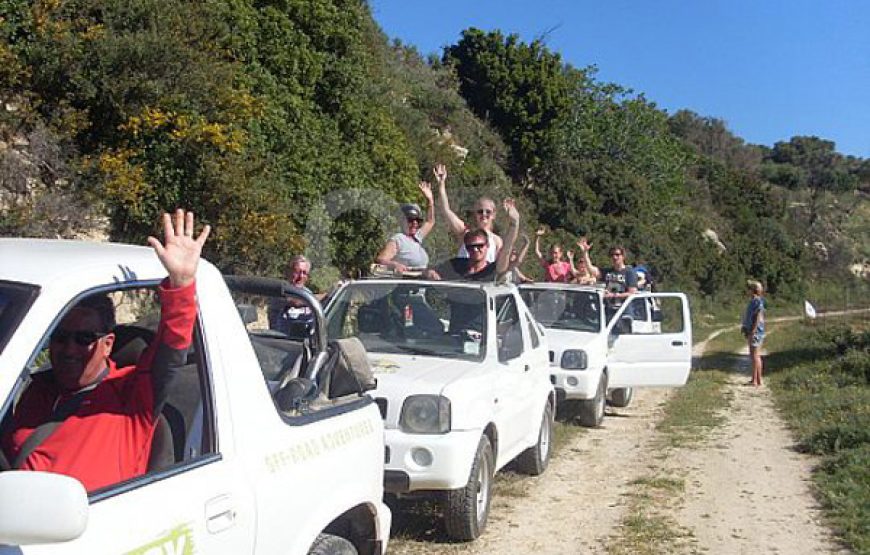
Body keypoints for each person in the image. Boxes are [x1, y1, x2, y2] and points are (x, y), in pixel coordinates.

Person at [1, 209, 209, 492]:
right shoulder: (31, 387)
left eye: (84, 338)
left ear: (108, 343)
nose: (69, 349)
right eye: (60, 337)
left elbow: (170, 352)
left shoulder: (131, 396)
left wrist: (181, 286)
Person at [425, 198, 520, 282]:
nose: (475, 249)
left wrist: (514, 223)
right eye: (470, 246)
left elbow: (506, 252)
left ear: (487, 246)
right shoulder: (457, 264)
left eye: (480, 246)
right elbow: (446, 211)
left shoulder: (491, 269)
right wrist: (430, 273)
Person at [435, 163, 503, 262]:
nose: (484, 214)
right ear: (475, 214)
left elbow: (501, 265)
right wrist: (441, 184)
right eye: (480, 211)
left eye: (488, 211)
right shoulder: (465, 232)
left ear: (494, 215)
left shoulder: (497, 241)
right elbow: (446, 210)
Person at [375, 181, 435, 273]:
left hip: (421, 279)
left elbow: (430, 222)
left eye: (417, 220)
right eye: (411, 220)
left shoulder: (417, 238)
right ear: (402, 221)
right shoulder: (398, 239)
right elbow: (381, 260)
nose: (415, 223)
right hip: (406, 279)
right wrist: (395, 265)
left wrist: (430, 200)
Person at [269, 254, 316, 337]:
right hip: (280, 341)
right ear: (289, 272)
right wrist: (326, 295)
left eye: (304, 273)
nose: (301, 276)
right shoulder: (279, 291)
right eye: (297, 272)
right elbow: (296, 302)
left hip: (304, 341)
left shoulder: (308, 293)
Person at [600, 245, 638, 319]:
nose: (614, 257)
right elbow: (593, 271)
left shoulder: (629, 272)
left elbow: (632, 293)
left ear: (623, 256)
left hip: (624, 312)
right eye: (612, 255)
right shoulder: (608, 272)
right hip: (609, 312)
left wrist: (613, 295)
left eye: (617, 255)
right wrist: (585, 253)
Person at [741, 280, 766, 386]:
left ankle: (756, 380)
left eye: (749, 289)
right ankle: (756, 379)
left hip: (755, 332)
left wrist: (752, 331)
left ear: (753, 290)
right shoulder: (754, 301)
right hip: (753, 330)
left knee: (755, 356)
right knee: (754, 355)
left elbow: (757, 317)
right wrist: (745, 327)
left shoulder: (757, 302)